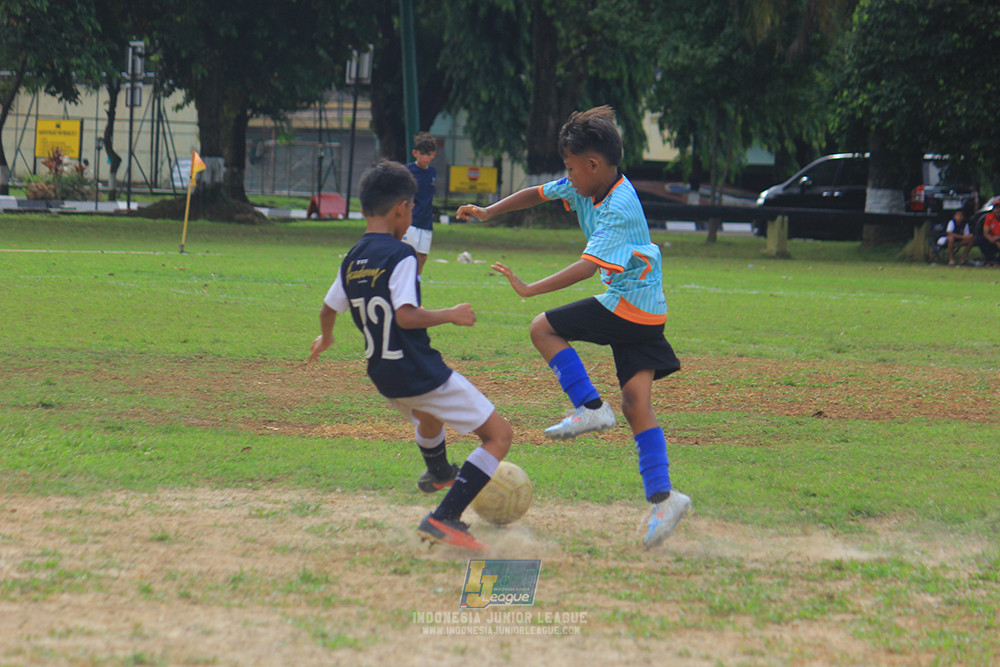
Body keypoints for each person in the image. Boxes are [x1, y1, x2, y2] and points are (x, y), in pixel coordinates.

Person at [455, 106, 691, 549]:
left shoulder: (618, 205)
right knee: (637, 404)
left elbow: (586, 268)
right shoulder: (588, 184)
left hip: (625, 306)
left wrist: (529, 290)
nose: (568, 177)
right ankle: (665, 498)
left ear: (593, 164)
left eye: (570, 168)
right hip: (647, 309)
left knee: (542, 328)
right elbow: (537, 194)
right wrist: (489, 211)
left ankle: (589, 406)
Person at [307, 160, 513, 551]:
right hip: (417, 369)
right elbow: (406, 315)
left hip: (384, 375)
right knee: (499, 435)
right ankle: (445, 517)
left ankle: (438, 472)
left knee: (428, 415)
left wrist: (326, 338)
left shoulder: (352, 258)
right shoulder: (401, 254)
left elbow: (327, 309)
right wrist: (451, 315)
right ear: (402, 208)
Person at [401, 132, 438, 276]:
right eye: (422, 154)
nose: (425, 158)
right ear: (414, 153)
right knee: (408, 255)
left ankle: (417, 282)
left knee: (422, 257)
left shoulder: (432, 172)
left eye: (428, 154)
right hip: (411, 220)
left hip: (426, 220)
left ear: (433, 155)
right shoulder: (407, 171)